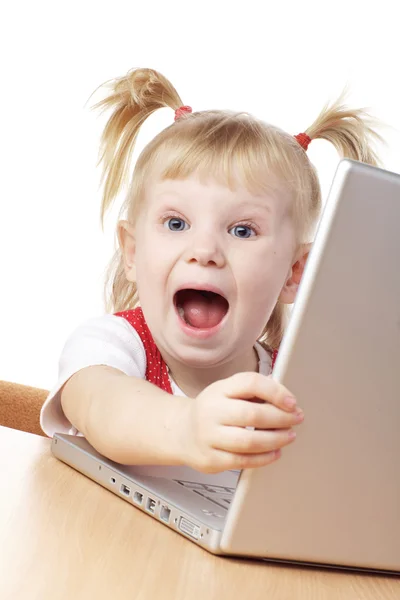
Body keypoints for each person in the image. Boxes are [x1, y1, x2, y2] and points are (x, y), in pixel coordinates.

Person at [40, 68, 381, 473]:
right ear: (132, 252)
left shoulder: (292, 387)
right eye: (176, 223)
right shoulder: (109, 347)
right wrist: (188, 428)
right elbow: (100, 406)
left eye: (242, 230)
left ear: (294, 272)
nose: (204, 252)